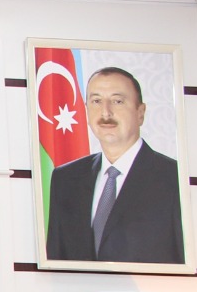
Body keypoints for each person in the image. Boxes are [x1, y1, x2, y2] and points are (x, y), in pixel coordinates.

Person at [45, 66, 184, 264]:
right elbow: (55, 262)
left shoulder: (174, 177)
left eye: (117, 101)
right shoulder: (65, 179)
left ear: (140, 112)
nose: (105, 112)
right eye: (96, 101)